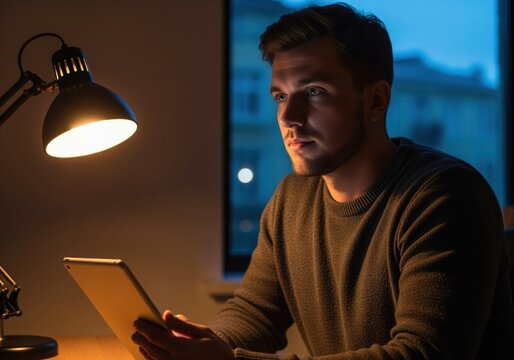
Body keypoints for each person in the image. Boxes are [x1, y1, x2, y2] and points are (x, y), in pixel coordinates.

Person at [132, 3, 514, 359]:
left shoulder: (445, 197)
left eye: (313, 92)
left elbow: (420, 354)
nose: (289, 117)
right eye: (280, 96)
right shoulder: (292, 199)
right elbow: (255, 312)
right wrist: (204, 343)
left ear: (376, 101)